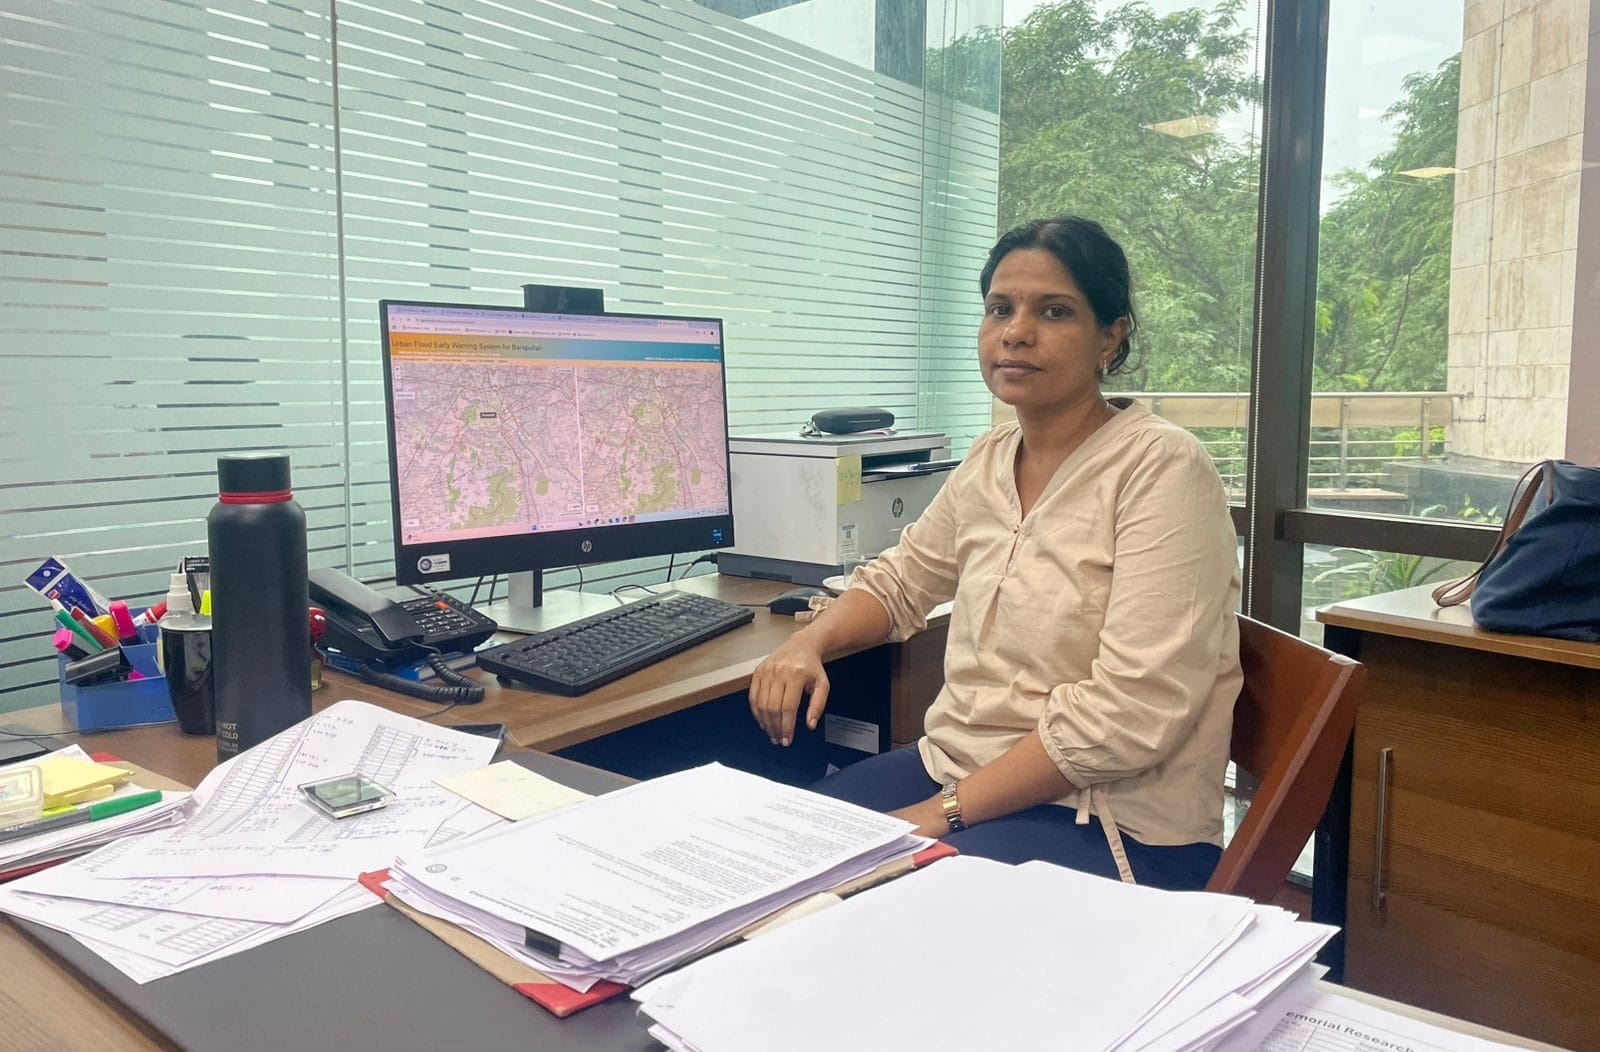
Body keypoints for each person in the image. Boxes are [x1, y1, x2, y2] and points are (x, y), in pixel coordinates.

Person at [748, 215, 1241, 890]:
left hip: (1108, 820)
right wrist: (808, 644)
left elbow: (1127, 719)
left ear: (1111, 337)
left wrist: (940, 815)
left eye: (1055, 311)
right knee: (761, 854)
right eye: (1000, 309)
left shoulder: (1162, 469)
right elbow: (901, 583)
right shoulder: (990, 458)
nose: (1017, 332)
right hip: (956, 768)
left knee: (848, 900)